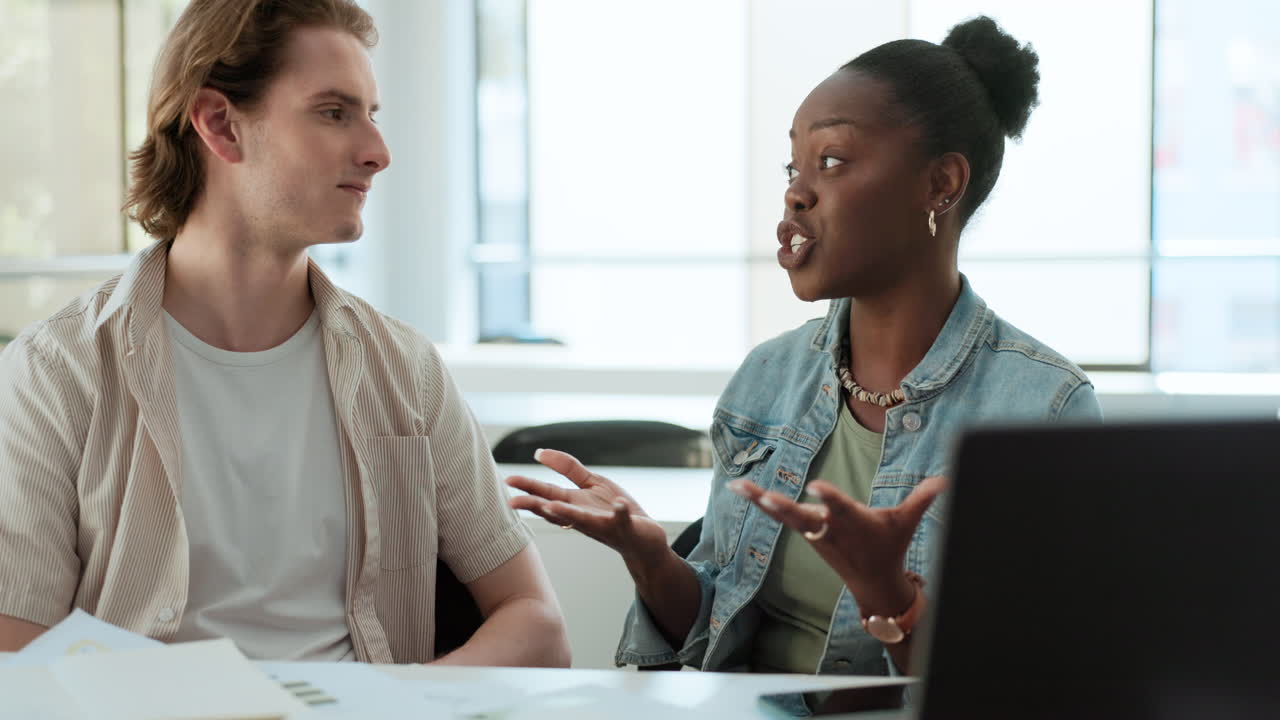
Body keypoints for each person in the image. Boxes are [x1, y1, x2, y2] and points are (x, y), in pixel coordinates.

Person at [507, 15, 1099, 684]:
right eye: (794, 166)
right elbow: (716, 632)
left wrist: (889, 596)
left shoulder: (1045, 409)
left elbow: (1030, 681)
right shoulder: (768, 375)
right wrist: (650, 559)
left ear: (940, 185)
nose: (796, 191)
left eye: (832, 161)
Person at [0, 0, 569, 667]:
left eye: (372, 114)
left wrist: (405, 707)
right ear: (221, 125)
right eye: (333, 112)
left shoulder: (404, 369)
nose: (377, 152)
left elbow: (536, 622)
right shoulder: (57, 370)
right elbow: (14, 649)